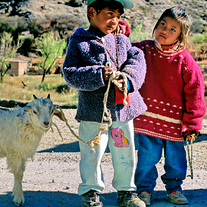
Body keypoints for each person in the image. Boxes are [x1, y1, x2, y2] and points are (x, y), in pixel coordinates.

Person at [62, 0, 147, 206]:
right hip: (94, 112)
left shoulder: (121, 41)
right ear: (92, 12)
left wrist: (126, 77)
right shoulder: (79, 42)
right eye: (110, 14)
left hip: (121, 111)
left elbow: (138, 58)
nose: (115, 20)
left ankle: (126, 191)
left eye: (118, 16)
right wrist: (99, 73)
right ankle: (91, 191)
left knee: (124, 150)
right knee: (92, 151)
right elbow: (70, 72)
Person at [130, 6, 206, 206]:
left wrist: (192, 123)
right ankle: (144, 190)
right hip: (148, 118)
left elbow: (195, 93)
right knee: (147, 157)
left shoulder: (184, 60)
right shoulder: (144, 50)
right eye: (163, 24)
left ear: (181, 35)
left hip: (176, 122)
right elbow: (124, 50)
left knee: (175, 160)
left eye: (173, 29)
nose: (165, 30)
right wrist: (121, 33)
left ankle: (174, 188)